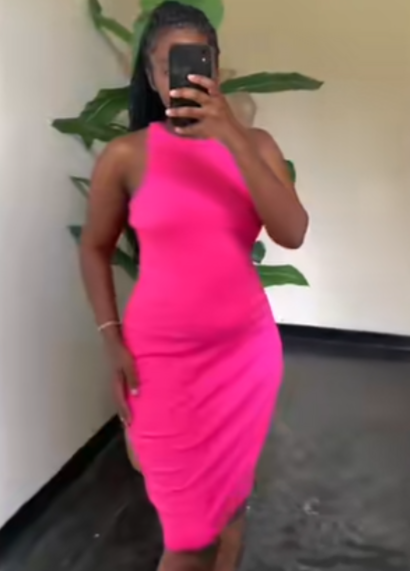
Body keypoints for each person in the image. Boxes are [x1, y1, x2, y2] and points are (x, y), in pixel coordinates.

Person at [79, 1, 308, 570]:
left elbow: (293, 232)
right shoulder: (126, 156)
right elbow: (95, 247)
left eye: (197, 60)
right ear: (151, 75)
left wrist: (231, 135)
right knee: (187, 541)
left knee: (230, 510)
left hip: (245, 361)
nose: (181, 75)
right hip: (161, 365)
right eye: (167, 65)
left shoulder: (256, 146)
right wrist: (110, 337)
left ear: (215, 65)